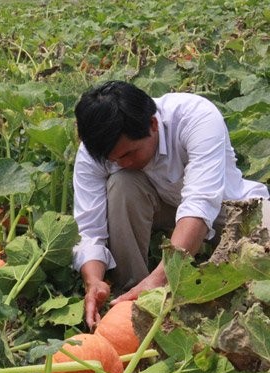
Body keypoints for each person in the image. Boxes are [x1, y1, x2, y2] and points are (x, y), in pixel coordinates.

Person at [72, 80, 269, 328]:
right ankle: (130, 295)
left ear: (153, 125)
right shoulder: (95, 151)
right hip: (162, 207)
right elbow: (90, 231)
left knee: (267, 230)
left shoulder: (196, 117)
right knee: (122, 183)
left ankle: (152, 289)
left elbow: (199, 206)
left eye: (129, 153)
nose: (122, 162)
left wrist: (161, 278)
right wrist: (94, 280)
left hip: (229, 209)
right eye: (113, 159)